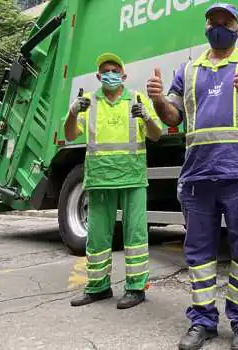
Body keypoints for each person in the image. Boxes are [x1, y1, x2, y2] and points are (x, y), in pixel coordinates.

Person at [145, 3, 238, 349]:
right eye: (213, 21)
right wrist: (159, 101)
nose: (219, 26)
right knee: (199, 255)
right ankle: (202, 321)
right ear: (206, 27)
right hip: (198, 177)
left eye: (226, 21)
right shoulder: (188, 71)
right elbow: (172, 117)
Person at [65, 53, 163, 310]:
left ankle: (136, 288)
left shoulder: (138, 100)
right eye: (105, 70)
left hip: (132, 178)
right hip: (100, 179)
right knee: (97, 237)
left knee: (136, 235)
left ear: (124, 75)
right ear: (98, 76)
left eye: (115, 70)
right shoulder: (88, 103)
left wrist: (147, 117)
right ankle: (97, 287)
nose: (110, 74)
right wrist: (73, 112)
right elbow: (69, 134)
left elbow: (156, 135)